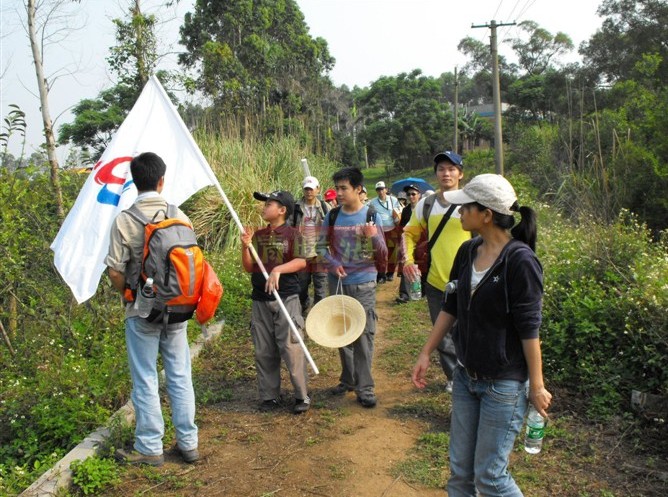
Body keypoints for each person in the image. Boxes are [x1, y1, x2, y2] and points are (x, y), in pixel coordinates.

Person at [412, 174, 552, 497]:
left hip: (503, 385)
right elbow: (450, 306)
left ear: (486, 215)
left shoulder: (520, 261)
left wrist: (537, 385)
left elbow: (530, 329)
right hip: (465, 377)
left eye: (465, 209)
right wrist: (426, 352)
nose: (459, 214)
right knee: (460, 474)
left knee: (490, 477)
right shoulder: (467, 251)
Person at [106, 152, 199, 466]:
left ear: (135, 181)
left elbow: (116, 271)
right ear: (162, 180)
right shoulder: (179, 214)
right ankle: (188, 443)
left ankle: (149, 448)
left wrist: (129, 297)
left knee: (145, 377)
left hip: (142, 310)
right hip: (178, 308)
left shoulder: (124, 220)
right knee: (180, 374)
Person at [317, 167, 388, 408]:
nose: (338, 193)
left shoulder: (371, 215)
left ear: (359, 190)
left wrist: (374, 236)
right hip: (337, 283)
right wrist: (333, 263)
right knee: (341, 332)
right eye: (337, 188)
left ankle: (365, 388)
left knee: (364, 335)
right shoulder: (333, 216)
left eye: (343, 188)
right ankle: (348, 379)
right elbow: (320, 247)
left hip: (364, 283)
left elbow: (383, 253)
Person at [403, 151, 470, 393]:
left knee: (469, 333)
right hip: (436, 283)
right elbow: (409, 233)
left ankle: (472, 376)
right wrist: (407, 260)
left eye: (452, 169)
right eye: (441, 169)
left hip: (470, 282)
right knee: (442, 336)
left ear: (460, 174)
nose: (446, 173)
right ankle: (454, 377)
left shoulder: (472, 202)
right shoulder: (427, 204)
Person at [241, 190, 311, 414]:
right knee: (264, 350)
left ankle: (301, 395)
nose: (264, 207)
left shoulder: (293, 235)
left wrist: (279, 269)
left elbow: (302, 262)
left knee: (291, 347)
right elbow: (249, 267)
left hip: (286, 299)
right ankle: (269, 396)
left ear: (282, 210)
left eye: (269, 204)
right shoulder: (259, 235)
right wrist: (245, 246)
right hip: (260, 299)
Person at [292, 176, 331, 315]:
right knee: (302, 286)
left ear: (318, 189)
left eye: (311, 189)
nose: (309, 192)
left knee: (321, 285)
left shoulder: (325, 207)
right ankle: (303, 308)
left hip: (320, 252)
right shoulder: (296, 208)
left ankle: (319, 314)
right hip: (302, 253)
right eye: (306, 189)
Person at [369, 181, 401, 283]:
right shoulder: (372, 202)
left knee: (392, 252)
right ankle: (381, 274)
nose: (381, 191)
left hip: (392, 230)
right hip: (380, 232)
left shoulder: (394, 200)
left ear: (386, 189)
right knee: (380, 253)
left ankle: (390, 273)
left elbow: (399, 212)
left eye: (382, 189)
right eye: (378, 190)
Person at [396, 184, 423, 303]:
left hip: (422, 244)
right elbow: (401, 227)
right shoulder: (406, 210)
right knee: (406, 266)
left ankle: (421, 292)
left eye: (413, 194)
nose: (411, 196)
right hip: (408, 243)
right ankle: (404, 294)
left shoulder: (424, 209)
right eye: (408, 194)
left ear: (419, 195)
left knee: (422, 268)